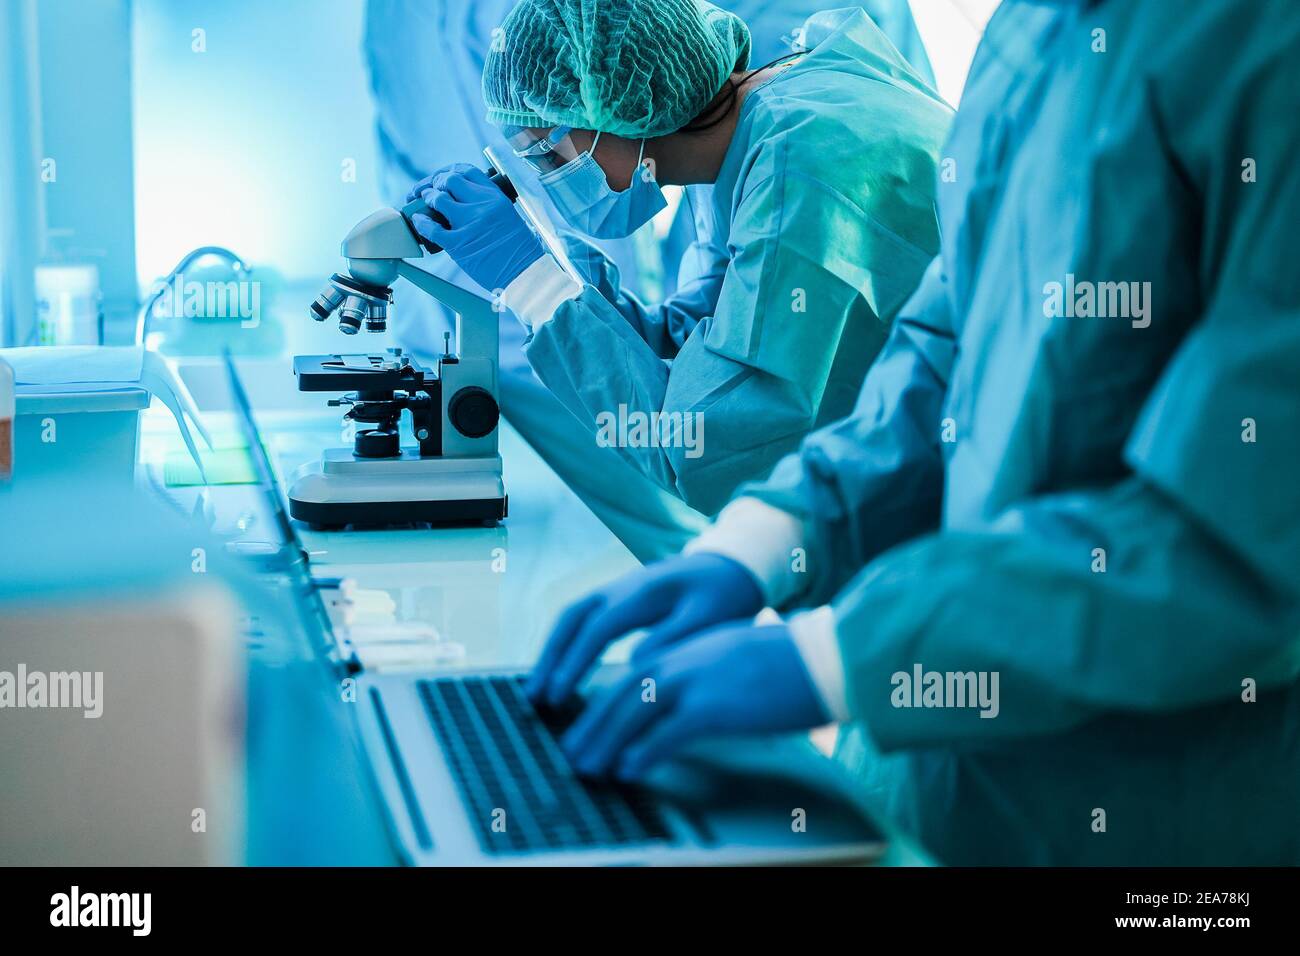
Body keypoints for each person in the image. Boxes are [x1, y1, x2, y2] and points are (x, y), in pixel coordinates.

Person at [524, 0, 1300, 866]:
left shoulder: (1263, 50)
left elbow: (1241, 546)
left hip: (1157, 808)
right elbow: (943, 351)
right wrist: (763, 542)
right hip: (930, 758)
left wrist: (836, 660)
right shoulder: (1035, 31)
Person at [408, 1, 952, 516]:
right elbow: (702, 334)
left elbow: (702, 448)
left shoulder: (799, 171)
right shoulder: (753, 129)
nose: (550, 173)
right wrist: (547, 254)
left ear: (623, 103)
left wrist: (534, 287)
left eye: (550, 148)